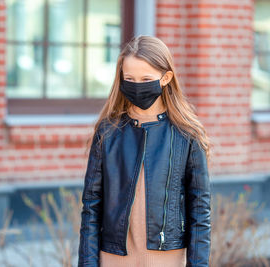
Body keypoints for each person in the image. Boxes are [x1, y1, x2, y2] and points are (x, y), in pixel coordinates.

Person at [78, 35, 212, 267]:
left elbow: (200, 209)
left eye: (146, 78)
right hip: (114, 258)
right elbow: (91, 206)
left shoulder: (186, 133)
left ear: (166, 78)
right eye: (129, 78)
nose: (137, 85)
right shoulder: (108, 131)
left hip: (168, 258)